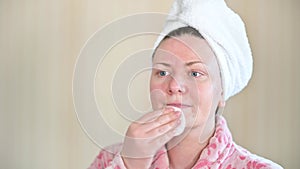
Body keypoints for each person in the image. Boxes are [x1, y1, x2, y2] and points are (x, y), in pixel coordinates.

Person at [88, 0, 283, 168]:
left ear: (222, 92)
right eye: (162, 72)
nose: (174, 85)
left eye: (195, 73)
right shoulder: (111, 159)